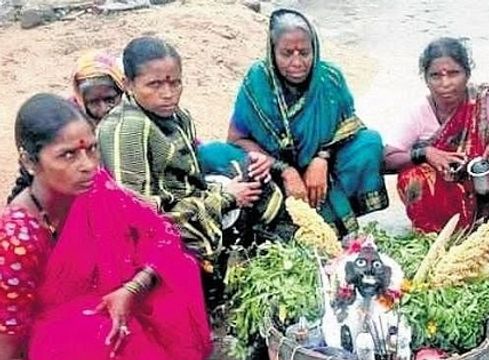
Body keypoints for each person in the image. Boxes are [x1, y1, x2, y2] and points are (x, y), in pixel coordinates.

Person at [0, 93, 212, 360]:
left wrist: (131, 289)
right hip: (61, 351)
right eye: (68, 155)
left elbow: (161, 234)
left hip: (113, 310)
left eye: (91, 149)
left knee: (177, 275)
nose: (86, 164)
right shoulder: (17, 239)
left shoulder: (94, 186)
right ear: (30, 161)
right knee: (97, 331)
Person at [97, 37, 264, 270]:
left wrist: (225, 190)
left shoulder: (176, 116)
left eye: (175, 83)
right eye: (154, 85)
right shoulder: (127, 128)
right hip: (152, 231)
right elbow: (136, 216)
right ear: (128, 84)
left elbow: (190, 179)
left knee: (257, 179)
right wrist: (223, 199)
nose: (168, 93)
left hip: (186, 204)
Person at [224, 8, 388, 236]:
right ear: (272, 52)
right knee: (215, 154)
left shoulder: (330, 78)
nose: (297, 62)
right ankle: (275, 220)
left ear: (315, 50)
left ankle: (336, 213)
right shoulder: (257, 80)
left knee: (369, 142)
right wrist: (285, 170)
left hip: (321, 172)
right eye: (286, 53)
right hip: (271, 170)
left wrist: (322, 159)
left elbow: (348, 126)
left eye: (304, 52)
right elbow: (237, 138)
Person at [383, 37, 489, 233]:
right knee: (413, 177)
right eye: (436, 75)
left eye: (454, 73)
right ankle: (435, 232)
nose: (445, 83)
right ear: (426, 80)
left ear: (467, 74)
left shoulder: (480, 101)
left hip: (485, 183)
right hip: (445, 190)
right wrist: (425, 153)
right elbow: (387, 159)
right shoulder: (419, 113)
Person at [70, 50, 125, 126]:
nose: (104, 109)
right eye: (93, 102)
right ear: (81, 100)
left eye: (110, 100)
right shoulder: (71, 121)